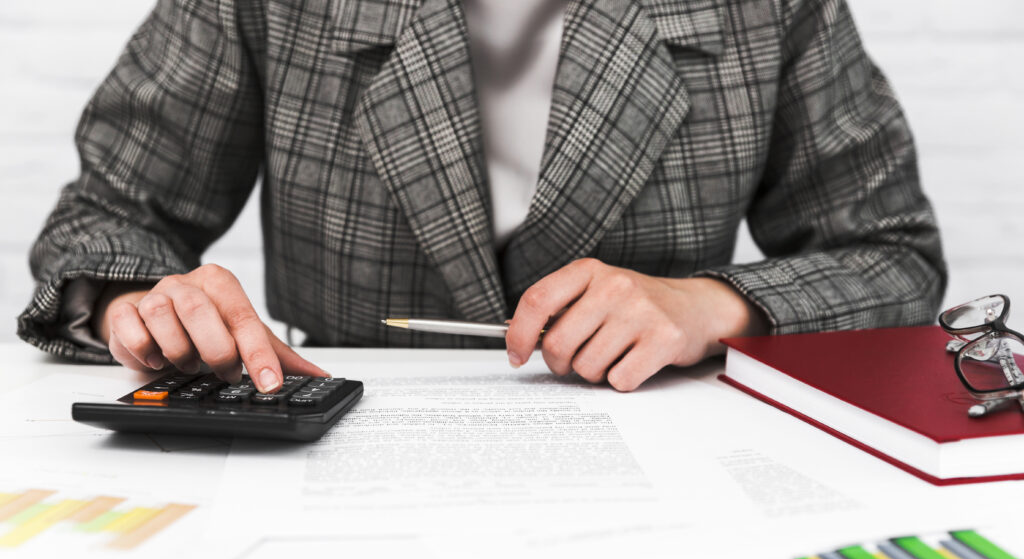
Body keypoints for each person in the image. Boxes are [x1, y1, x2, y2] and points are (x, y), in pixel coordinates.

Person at [18, 0, 946, 393]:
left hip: (659, 475)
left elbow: (893, 254)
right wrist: (142, 303)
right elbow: (106, 218)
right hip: (332, 479)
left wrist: (712, 304)